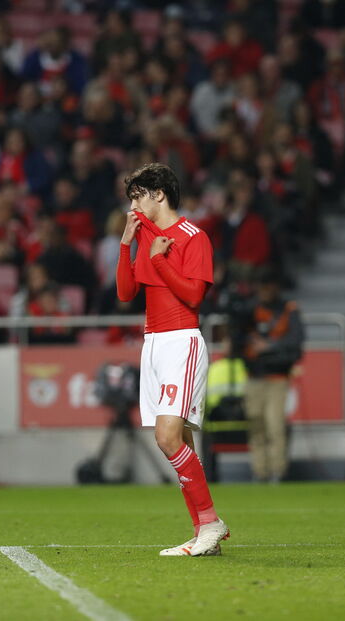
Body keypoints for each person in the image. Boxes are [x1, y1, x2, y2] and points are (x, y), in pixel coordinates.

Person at [115, 163, 227, 557]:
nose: (133, 206)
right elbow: (126, 293)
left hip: (182, 340)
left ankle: (211, 523)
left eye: (138, 197)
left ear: (159, 194)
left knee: (166, 438)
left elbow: (194, 296)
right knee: (181, 443)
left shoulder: (193, 236)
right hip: (154, 344)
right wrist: (126, 244)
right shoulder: (145, 235)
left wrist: (161, 260)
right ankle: (203, 534)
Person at [243, 272, 304, 483]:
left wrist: (268, 347)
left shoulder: (288, 310)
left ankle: (278, 471)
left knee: (275, 425)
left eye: (268, 286)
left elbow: (296, 341)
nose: (265, 291)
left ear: (276, 287)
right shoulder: (250, 310)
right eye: (262, 286)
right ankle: (259, 471)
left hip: (278, 377)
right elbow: (238, 337)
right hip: (254, 376)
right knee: (256, 426)